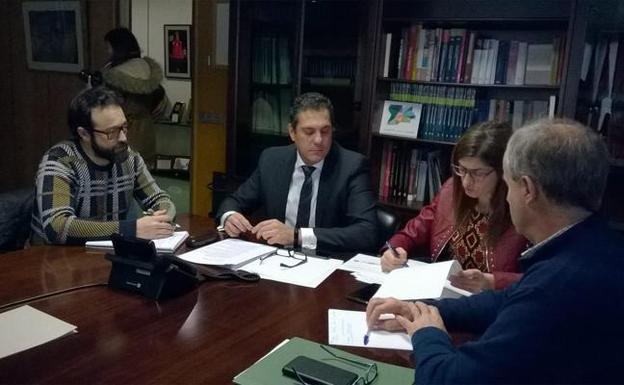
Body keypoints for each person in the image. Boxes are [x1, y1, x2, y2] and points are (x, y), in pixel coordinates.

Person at [366, 118, 624, 384]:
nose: (508, 198)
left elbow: (447, 379)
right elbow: (503, 300)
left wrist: (428, 333)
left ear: (527, 189)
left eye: (509, 185)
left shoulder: (554, 289)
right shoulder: (593, 246)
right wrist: (421, 309)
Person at [216, 92, 378, 256]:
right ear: (292, 132)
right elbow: (234, 201)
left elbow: (366, 232)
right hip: (277, 260)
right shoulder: (272, 160)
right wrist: (230, 216)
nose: (318, 140)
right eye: (309, 132)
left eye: (325, 131)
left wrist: (296, 236)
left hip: (327, 263)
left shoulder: (351, 167)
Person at [381, 121, 526, 292]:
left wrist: (493, 281)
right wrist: (394, 250)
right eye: (462, 169)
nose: (466, 181)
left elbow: (543, 278)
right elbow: (412, 232)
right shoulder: (451, 190)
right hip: (442, 293)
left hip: (493, 304)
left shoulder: (524, 208)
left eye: (478, 173)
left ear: (503, 171)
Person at [31, 87, 176, 245]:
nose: (123, 138)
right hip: (51, 259)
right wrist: (129, 229)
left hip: (106, 254)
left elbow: (160, 198)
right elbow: (58, 227)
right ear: (84, 134)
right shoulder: (61, 160)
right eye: (111, 132)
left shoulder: (129, 157)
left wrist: (162, 217)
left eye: (124, 127)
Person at [101, 27, 168, 170]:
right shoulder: (147, 69)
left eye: (109, 47)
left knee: (122, 180)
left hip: (124, 137)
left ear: (118, 48)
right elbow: (163, 107)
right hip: (147, 133)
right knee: (143, 179)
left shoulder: (115, 76)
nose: (108, 51)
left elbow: (105, 111)